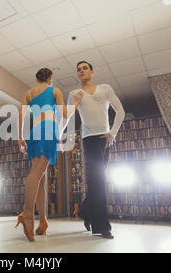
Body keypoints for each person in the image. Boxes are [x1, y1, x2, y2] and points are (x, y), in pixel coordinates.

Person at [66, 61, 125, 239]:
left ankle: (85, 211)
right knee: (97, 181)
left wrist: (113, 133)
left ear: (92, 72)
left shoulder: (105, 88)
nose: (81, 71)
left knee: (98, 182)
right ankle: (102, 227)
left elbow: (120, 110)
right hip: (89, 140)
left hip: (105, 139)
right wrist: (68, 141)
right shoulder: (74, 93)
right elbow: (68, 118)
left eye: (84, 68)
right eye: (78, 69)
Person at [16, 68, 71, 242]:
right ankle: (28, 216)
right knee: (36, 174)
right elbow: (64, 114)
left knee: (41, 177)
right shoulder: (54, 90)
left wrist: (19, 138)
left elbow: (21, 115)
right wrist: (75, 103)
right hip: (48, 131)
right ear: (50, 78)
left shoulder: (29, 93)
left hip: (34, 133)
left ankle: (43, 222)